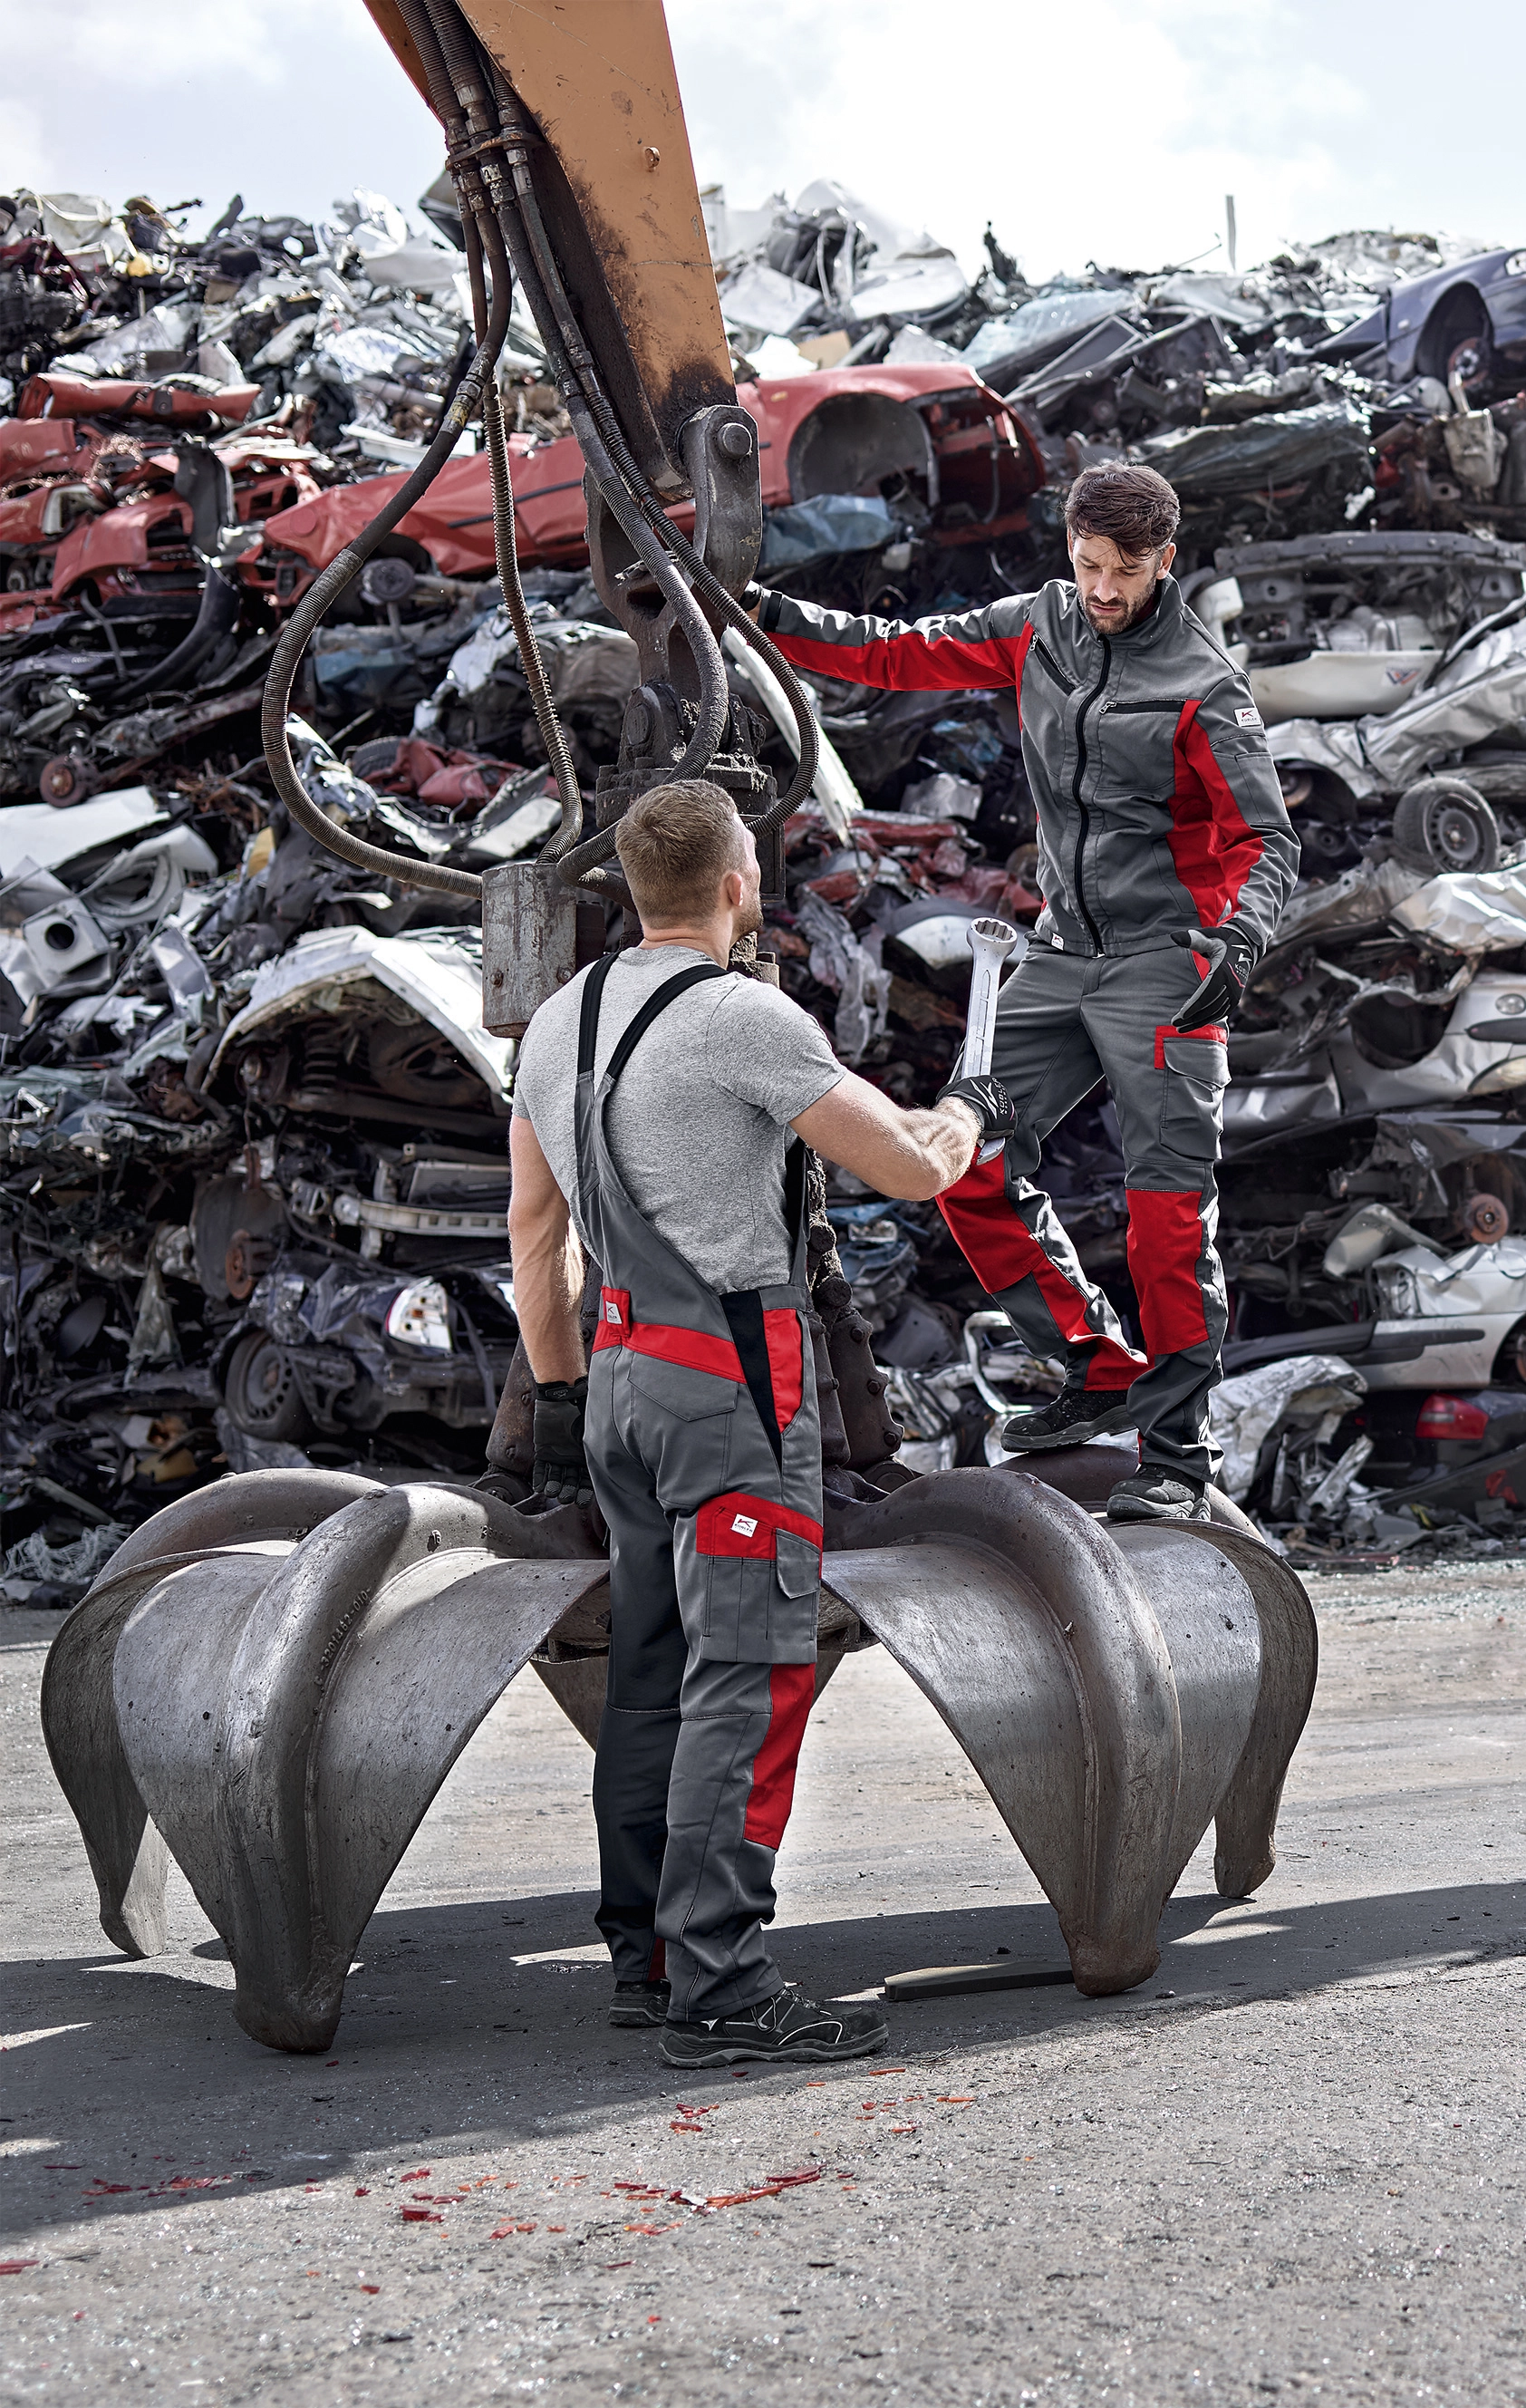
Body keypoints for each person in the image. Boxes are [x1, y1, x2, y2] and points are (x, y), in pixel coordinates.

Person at [507, 778, 1004, 2067]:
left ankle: (645, 1954)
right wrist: (966, 1117)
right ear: (737, 886)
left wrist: (563, 1393)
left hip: (618, 1381)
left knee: (651, 1670)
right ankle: (719, 1986)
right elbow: (905, 1165)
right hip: (728, 1390)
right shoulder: (743, 1018)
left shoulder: (561, 1018)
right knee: (750, 1673)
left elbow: (536, 1229)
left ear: (631, 886)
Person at [750, 462, 1298, 1523]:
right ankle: (1093, 1364)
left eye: (1123, 573)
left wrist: (1241, 938)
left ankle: (1178, 1449)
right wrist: (771, 615)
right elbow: (897, 652)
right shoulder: (1036, 625)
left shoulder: (1201, 684)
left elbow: (1266, 837)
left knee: (1168, 1210)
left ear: (1164, 563)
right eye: (1087, 565)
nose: (1101, 589)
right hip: (1062, 951)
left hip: (1168, 962)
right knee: (960, 1156)